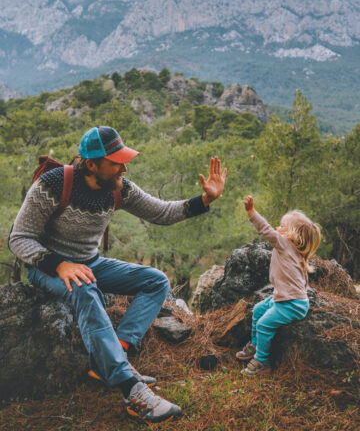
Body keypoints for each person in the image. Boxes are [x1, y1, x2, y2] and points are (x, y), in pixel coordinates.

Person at [9, 125, 227, 424]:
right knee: (84, 288)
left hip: (90, 262)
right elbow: (19, 238)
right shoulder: (54, 184)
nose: (124, 166)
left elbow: (161, 213)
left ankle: (115, 353)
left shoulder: (119, 187)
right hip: (45, 269)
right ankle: (130, 389)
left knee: (156, 280)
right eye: (116, 161)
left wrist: (205, 200)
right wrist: (59, 264)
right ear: (91, 163)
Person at [236, 196, 321, 376]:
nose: (277, 228)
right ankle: (255, 344)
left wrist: (252, 213)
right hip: (285, 299)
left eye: (282, 226)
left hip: (292, 303)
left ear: (292, 234)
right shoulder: (295, 251)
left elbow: (266, 230)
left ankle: (262, 362)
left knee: (264, 325)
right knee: (259, 309)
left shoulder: (284, 244)